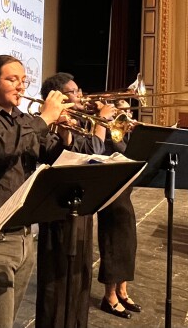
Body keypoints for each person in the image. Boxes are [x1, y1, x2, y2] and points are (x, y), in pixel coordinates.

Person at [0, 55, 73, 328]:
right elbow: (2, 148)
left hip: (21, 233)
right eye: (12, 80)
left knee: (0, 321)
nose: (21, 87)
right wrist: (44, 118)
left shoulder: (22, 118)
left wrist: (65, 134)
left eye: (23, 80)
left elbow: (53, 155)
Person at [34, 73, 105, 328]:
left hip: (83, 206)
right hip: (57, 210)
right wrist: (101, 123)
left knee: (80, 278)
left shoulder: (77, 122)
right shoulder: (44, 124)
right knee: (57, 282)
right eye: (74, 91)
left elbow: (94, 154)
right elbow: (64, 156)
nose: (81, 95)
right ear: (59, 97)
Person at [96, 99, 141, 319]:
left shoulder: (124, 128)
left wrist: (139, 134)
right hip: (110, 186)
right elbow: (120, 149)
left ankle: (122, 290)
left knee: (128, 240)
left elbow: (136, 154)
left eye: (127, 110)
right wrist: (117, 126)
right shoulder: (105, 129)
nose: (126, 114)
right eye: (120, 110)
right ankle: (109, 296)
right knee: (113, 241)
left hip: (125, 187)